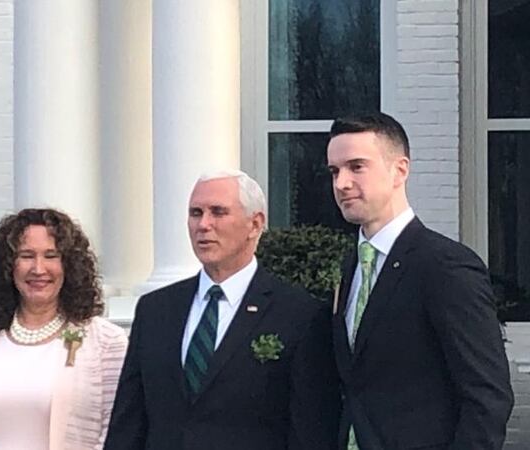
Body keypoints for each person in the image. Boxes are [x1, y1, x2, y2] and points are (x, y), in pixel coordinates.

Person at [104, 170, 340, 450]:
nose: (203, 224)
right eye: (196, 213)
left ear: (255, 224)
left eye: (218, 212)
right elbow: (128, 423)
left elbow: (311, 431)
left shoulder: (299, 315)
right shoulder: (155, 310)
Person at [326, 112, 514, 449]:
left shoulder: (445, 265)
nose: (341, 183)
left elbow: (487, 396)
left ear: (400, 170)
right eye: (334, 171)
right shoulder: (351, 265)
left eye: (356, 166)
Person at [0, 208, 128, 450]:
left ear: (70, 265)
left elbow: (116, 434)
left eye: (51, 256)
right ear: (8, 266)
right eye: (26, 256)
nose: (38, 269)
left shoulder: (106, 342)